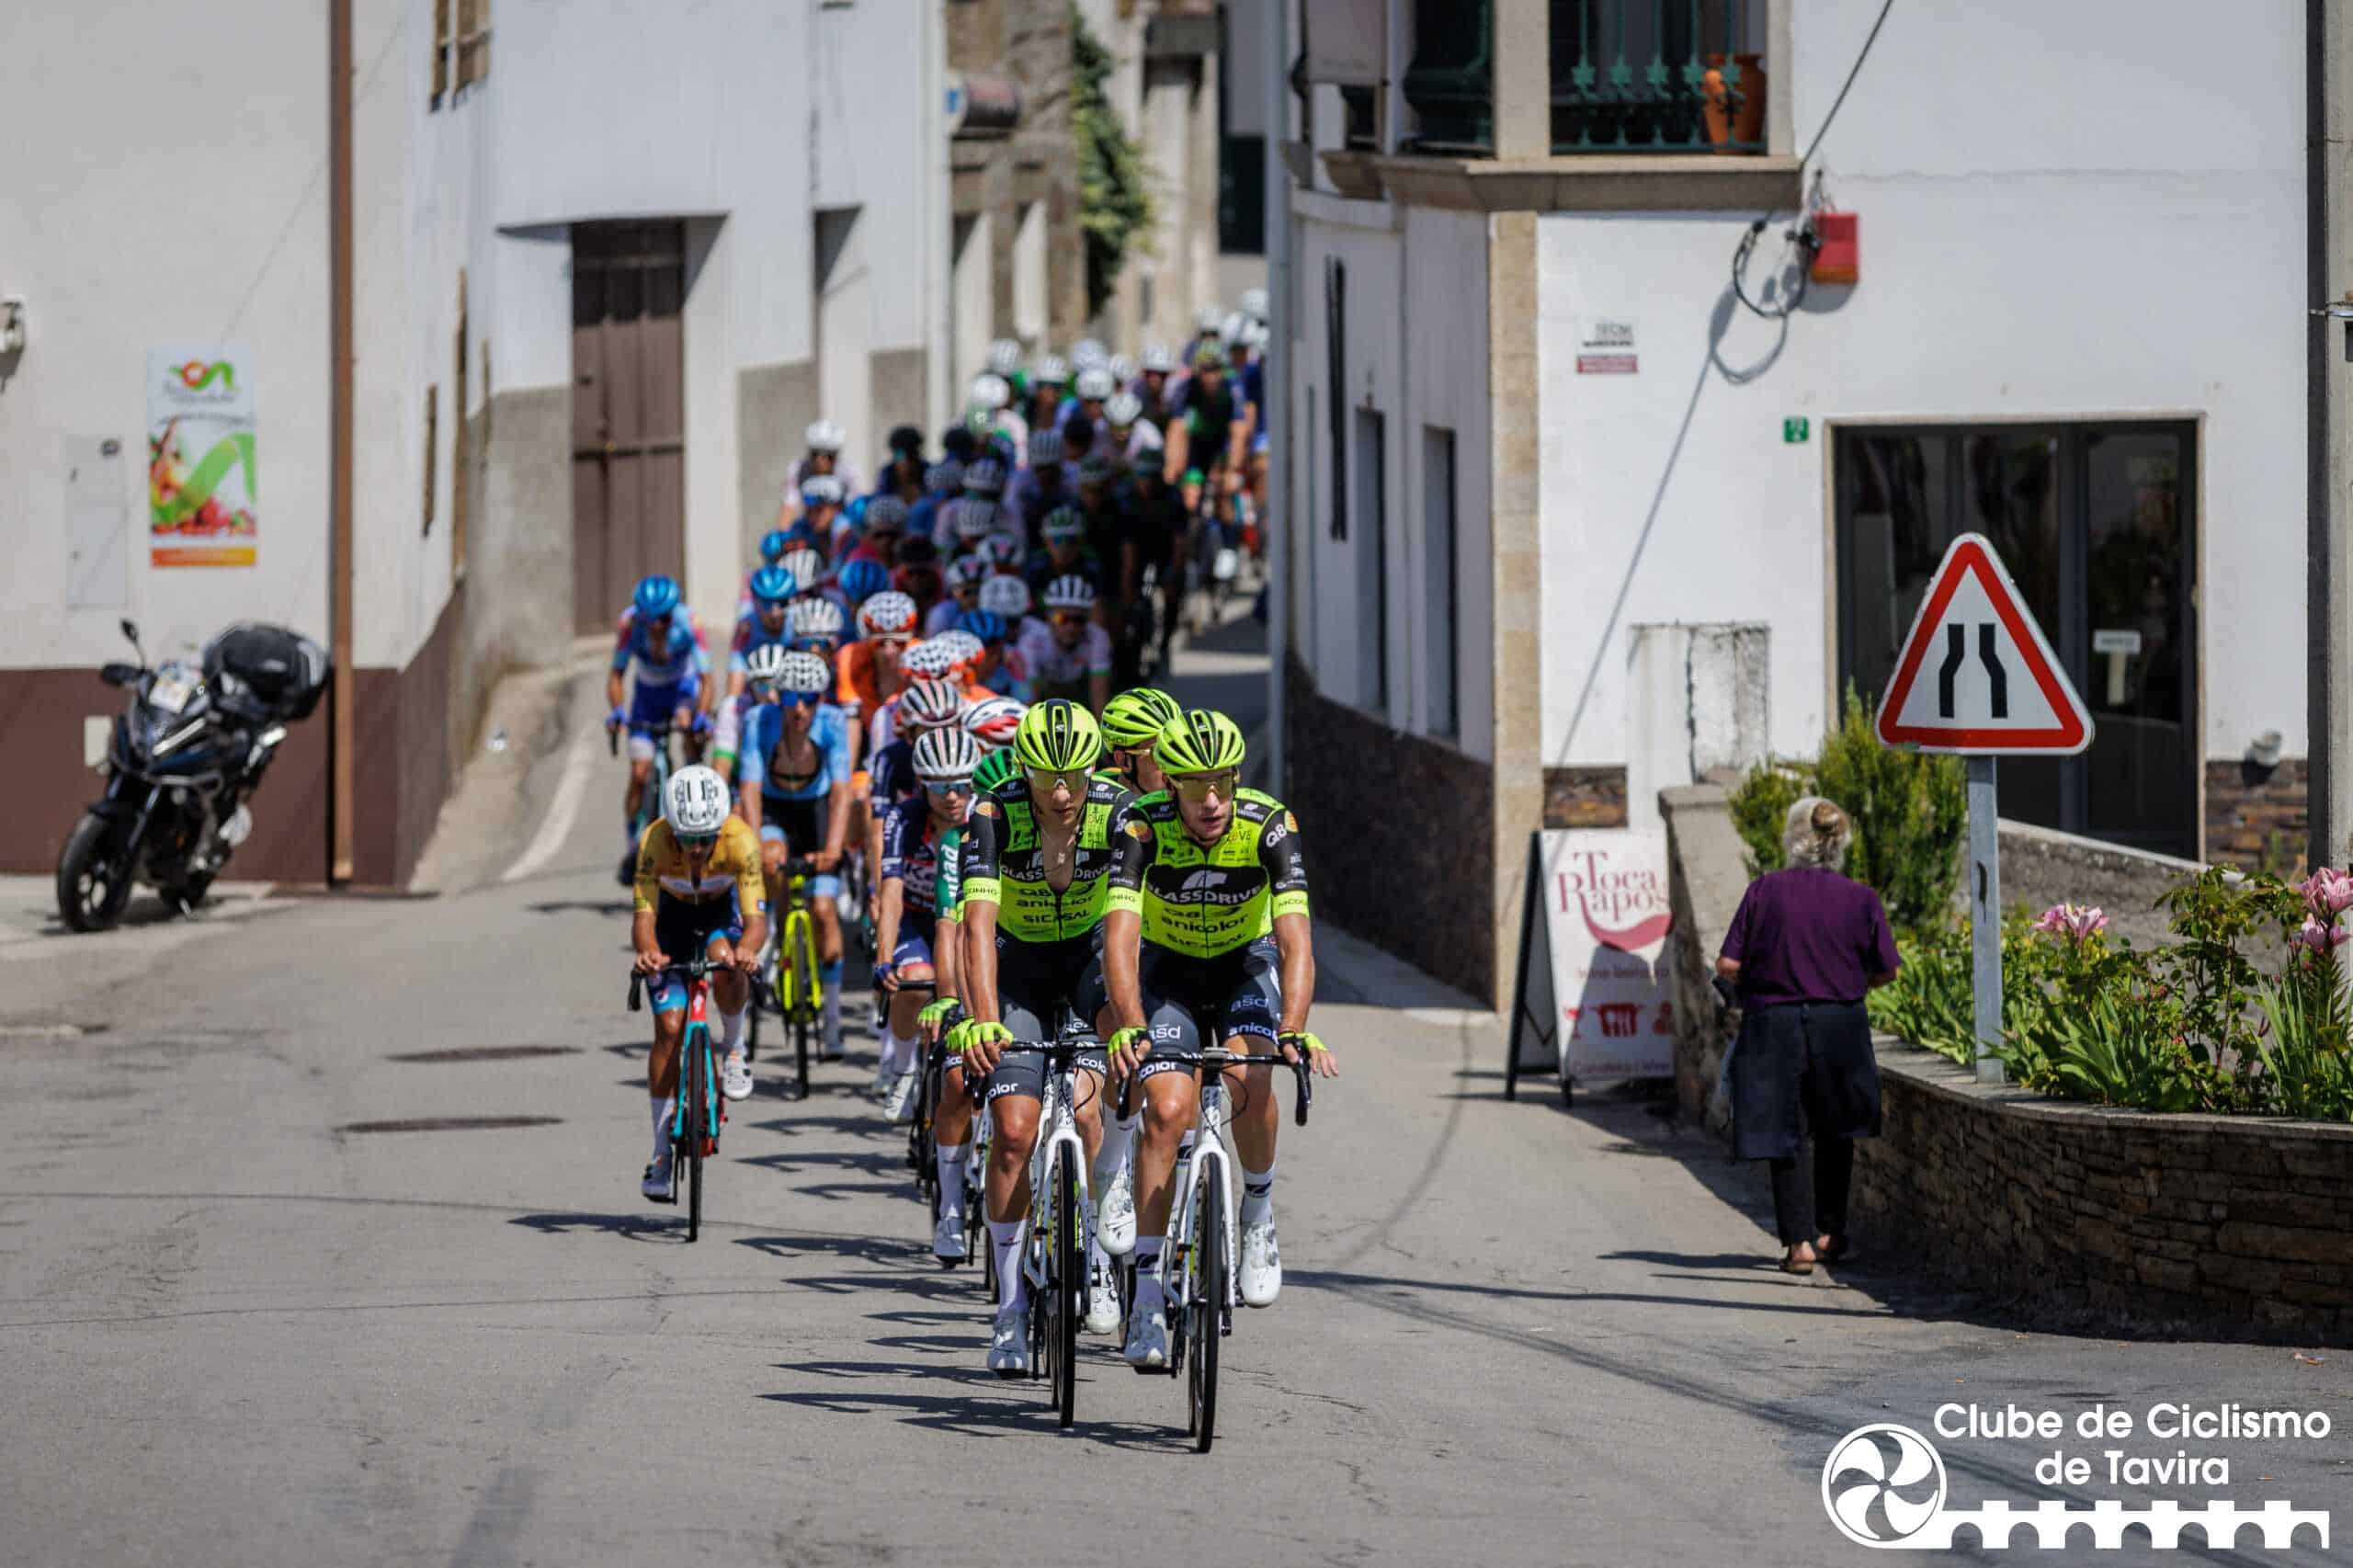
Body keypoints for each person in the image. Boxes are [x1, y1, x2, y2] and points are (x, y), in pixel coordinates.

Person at [1102, 709, 1336, 1369]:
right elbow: (1120, 938)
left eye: (1222, 783)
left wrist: (1293, 1028)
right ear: (1170, 782)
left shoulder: (1270, 825)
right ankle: (1147, 1295)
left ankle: (1258, 1209)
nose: (1211, 800)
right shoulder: (1141, 826)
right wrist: (1131, 1025)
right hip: (1168, 972)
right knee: (1167, 1112)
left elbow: (1295, 940)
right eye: (1195, 785)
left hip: (1243, 966)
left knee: (1251, 1075)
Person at [952, 699, 1135, 1372]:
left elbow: (1125, 930)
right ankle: (1008, 1309)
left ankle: (1108, 1207)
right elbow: (977, 927)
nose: (1060, 794)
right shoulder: (993, 813)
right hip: (1020, 973)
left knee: (1119, 1070)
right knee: (1014, 1133)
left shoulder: (1117, 812)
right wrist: (980, 1016)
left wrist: (1128, 1020)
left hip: (1089, 963)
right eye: (1044, 778)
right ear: (1023, 769)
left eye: (1073, 778)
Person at [1715, 797, 1896, 1275]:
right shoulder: (1861, 899)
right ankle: (1830, 1232)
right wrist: (1847, 982)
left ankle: (1798, 1245)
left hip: (1773, 1024)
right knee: (1837, 1130)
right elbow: (1886, 971)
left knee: (1784, 1130)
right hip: (1840, 1023)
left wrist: (1763, 977)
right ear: (1841, 842)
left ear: (1793, 839)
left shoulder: (1764, 891)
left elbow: (1728, 965)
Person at [631, 766, 767, 1199]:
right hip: (670, 923)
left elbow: (755, 922)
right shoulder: (653, 840)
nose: (695, 849)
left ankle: (734, 1047)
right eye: (686, 839)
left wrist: (747, 950)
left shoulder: (741, 840)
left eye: (705, 838)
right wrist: (649, 952)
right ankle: (659, 1152)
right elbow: (644, 918)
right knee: (668, 1029)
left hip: (717, 921)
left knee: (728, 962)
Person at [737, 650, 855, 1061]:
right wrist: (752, 847)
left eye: (809, 700)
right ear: (777, 698)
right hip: (774, 809)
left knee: (823, 911)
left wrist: (834, 849)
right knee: (771, 857)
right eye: (790, 699)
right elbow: (750, 787)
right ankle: (773, 928)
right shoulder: (759, 722)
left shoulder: (833, 724)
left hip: (817, 810)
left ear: (821, 700)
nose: (799, 709)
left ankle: (834, 1020)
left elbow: (842, 791)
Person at [875, 727, 982, 1124]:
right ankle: (903, 1068)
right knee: (914, 978)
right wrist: (884, 958)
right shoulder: (903, 818)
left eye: (959, 785)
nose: (951, 796)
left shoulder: (984, 817)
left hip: (965, 919)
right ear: (921, 784)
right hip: (915, 918)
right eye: (940, 787)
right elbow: (889, 892)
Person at [607, 574, 713, 882]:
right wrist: (616, 711)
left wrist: (701, 716)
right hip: (647, 696)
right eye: (649, 620)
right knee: (640, 774)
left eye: (663, 619)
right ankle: (631, 847)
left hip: (682, 689)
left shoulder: (690, 622)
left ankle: (696, 819)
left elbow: (706, 679)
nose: (656, 626)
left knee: (688, 733)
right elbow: (616, 674)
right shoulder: (628, 625)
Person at [714, 567, 798, 780]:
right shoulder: (747, 626)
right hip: (755, 690)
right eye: (767, 604)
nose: (775, 612)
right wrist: (733, 700)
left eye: (782, 603)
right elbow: (736, 671)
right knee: (729, 708)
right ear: (755, 601)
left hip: (789, 694)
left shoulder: (798, 624)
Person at [1017, 575, 1112, 713]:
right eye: (1062, 618)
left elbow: (1099, 694)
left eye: (1079, 620)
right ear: (1048, 617)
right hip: (1043, 695)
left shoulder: (1098, 637)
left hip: (1081, 696)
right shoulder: (1031, 642)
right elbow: (1031, 699)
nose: (1070, 627)